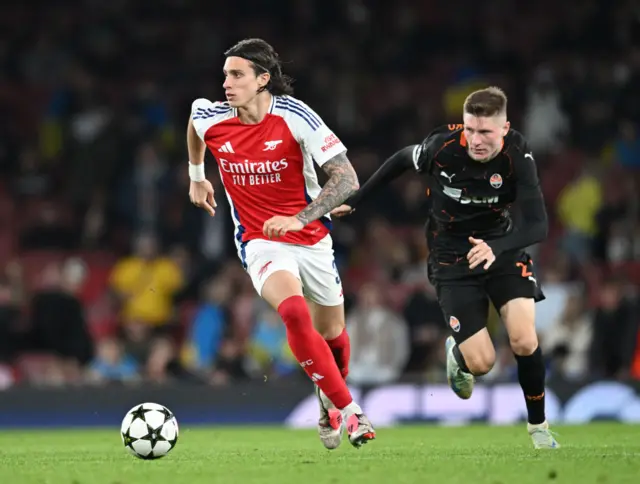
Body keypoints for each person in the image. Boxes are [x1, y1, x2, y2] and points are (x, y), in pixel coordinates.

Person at [333, 87, 559, 449]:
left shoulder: (519, 156)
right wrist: (358, 199)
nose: (476, 140)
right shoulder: (442, 147)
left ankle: (539, 429)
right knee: (483, 363)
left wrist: (496, 247)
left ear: (505, 129)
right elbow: (403, 159)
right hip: (450, 258)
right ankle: (459, 354)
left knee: (523, 337)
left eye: (486, 132)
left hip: (500, 249)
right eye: (470, 129)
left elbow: (538, 226)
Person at [186, 38, 374, 449]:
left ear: (263, 79)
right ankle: (350, 410)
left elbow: (346, 179)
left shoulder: (295, 115)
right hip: (259, 240)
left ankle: (327, 402)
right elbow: (195, 123)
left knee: (334, 335)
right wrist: (196, 175)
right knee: (291, 311)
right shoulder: (213, 117)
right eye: (225, 76)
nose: (227, 84)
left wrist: (302, 216)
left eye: (237, 75)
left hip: (310, 238)